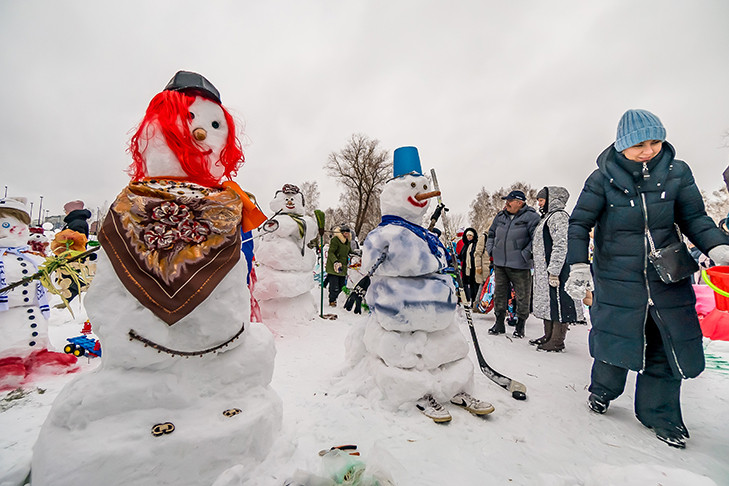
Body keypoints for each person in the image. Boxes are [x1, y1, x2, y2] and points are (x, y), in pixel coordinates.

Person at [565, 109, 729, 449]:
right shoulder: (601, 179)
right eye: (639, 144)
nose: (649, 150)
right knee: (617, 342)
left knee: (666, 347)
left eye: (655, 141)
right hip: (617, 277)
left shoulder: (677, 173)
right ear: (622, 144)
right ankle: (603, 390)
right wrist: (579, 266)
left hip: (668, 278)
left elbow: (695, 219)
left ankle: (661, 414)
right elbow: (579, 224)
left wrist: (719, 247)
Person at [486, 190, 540, 338]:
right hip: (500, 263)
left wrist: (525, 254)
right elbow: (491, 234)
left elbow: (536, 240)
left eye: (510, 200)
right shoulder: (500, 216)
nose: (506, 203)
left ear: (519, 202)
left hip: (520, 264)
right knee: (499, 294)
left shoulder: (532, 217)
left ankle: (520, 325)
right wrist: (491, 250)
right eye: (506, 200)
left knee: (522, 295)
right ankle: (499, 323)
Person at [529, 186, 576, 352]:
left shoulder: (559, 217)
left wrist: (554, 270)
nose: (539, 204)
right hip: (545, 270)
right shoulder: (547, 218)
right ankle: (548, 335)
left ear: (551, 200)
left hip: (557, 270)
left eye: (542, 200)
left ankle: (557, 340)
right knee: (548, 303)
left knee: (558, 304)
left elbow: (561, 244)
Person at [325, 225, 353, 307]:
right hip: (334, 266)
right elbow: (331, 252)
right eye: (345, 233)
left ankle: (339, 300)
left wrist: (355, 253)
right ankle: (332, 300)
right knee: (334, 286)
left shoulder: (347, 241)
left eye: (348, 233)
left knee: (341, 285)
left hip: (342, 267)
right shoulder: (335, 240)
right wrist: (335, 261)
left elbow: (349, 251)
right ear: (341, 233)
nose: (346, 234)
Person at [457, 227, 479, 307]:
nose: (469, 237)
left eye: (470, 235)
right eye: (467, 235)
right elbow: (462, 255)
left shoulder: (475, 244)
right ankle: (467, 300)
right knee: (467, 284)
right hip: (466, 268)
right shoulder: (465, 245)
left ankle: (474, 302)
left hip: (473, 268)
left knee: (474, 286)